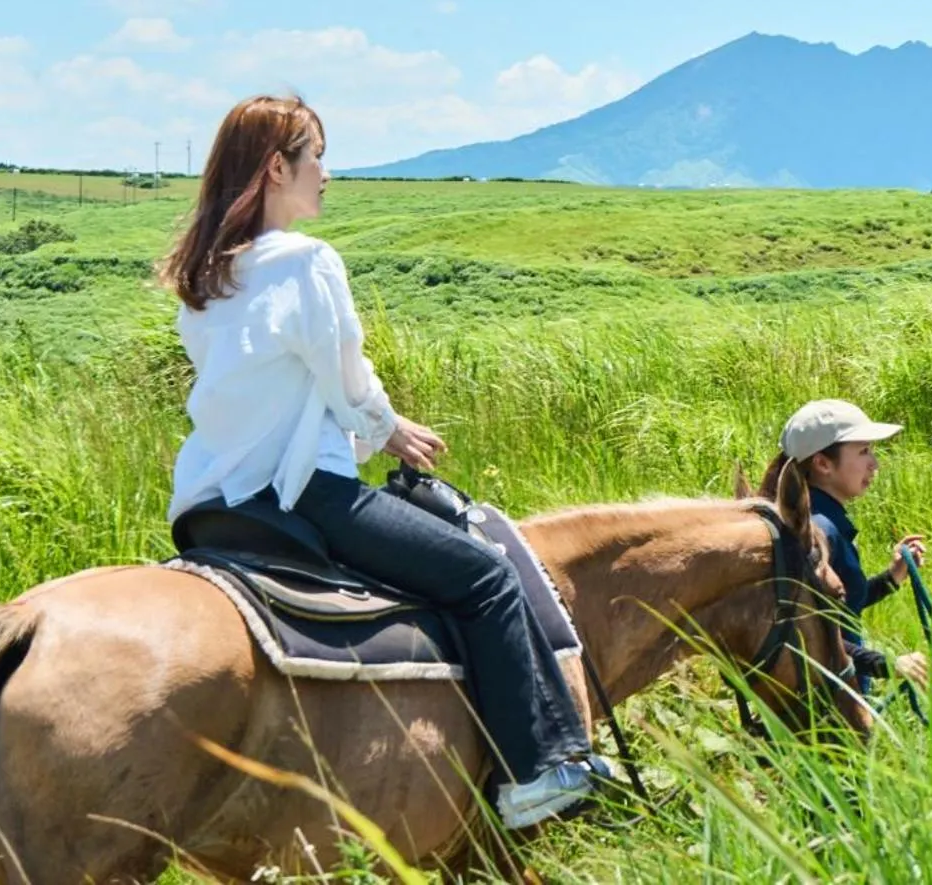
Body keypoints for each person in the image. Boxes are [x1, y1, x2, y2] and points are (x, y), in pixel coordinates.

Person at [158, 94, 605, 830]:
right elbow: (344, 379)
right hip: (303, 493)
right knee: (485, 576)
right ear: (278, 167)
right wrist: (389, 430)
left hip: (211, 502)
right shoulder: (305, 262)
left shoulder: (206, 280)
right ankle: (536, 771)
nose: (326, 174)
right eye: (317, 156)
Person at [760, 399, 930, 693]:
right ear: (823, 463)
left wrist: (891, 578)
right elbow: (805, 629)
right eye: (863, 451)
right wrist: (885, 663)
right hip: (827, 708)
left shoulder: (824, 523)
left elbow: (838, 608)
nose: (874, 463)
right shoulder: (818, 531)